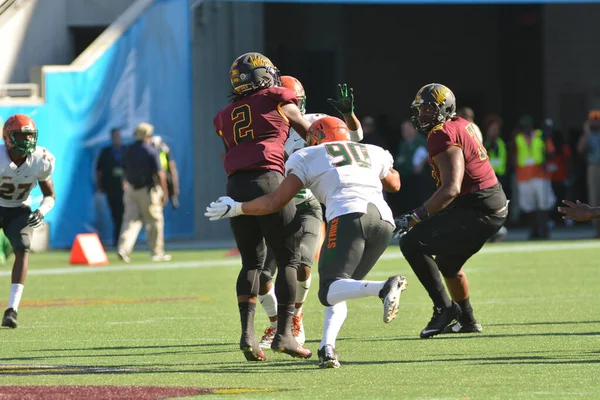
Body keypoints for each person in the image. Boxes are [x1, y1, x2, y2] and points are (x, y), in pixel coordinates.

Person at [206, 116, 407, 369]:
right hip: (384, 222)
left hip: (349, 217)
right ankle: (327, 347)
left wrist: (238, 208)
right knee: (343, 287)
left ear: (316, 137)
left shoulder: (309, 154)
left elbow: (275, 201)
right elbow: (395, 183)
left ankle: (384, 286)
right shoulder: (372, 150)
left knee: (328, 289)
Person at [213, 52, 313, 362]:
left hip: (235, 186)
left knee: (251, 262)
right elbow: (307, 131)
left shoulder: (224, 114)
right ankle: (285, 334)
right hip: (269, 177)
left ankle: (248, 334)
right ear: (264, 76)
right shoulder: (277, 96)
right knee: (288, 257)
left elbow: (227, 153)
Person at [257, 77, 363, 349]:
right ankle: (273, 321)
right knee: (261, 276)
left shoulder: (315, 122)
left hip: (306, 204)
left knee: (303, 264)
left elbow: (355, 138)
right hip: (275, 205)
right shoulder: (264, 127)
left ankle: (295, 317)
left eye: (292, 103)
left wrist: (348, 115)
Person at [395, 83, 508, 338]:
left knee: (412, 242)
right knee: (448, 261)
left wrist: (415, 217)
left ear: (444, 109)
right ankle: (467, 320)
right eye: (420, 109)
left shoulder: (442, 133)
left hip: (479, 207)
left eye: (427, 109)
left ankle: (444, 309)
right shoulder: (460, 124)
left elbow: (451, 188)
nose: (422, 115)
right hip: (488, 202)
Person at [0, 114, 56, 328]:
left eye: (31, 136)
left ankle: (12, 309)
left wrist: (42, 211)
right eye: (21, 136)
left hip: (18, 209)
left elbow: (50, 195)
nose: (27, 141)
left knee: (23, 248)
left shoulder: (41, 159)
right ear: (8, 137)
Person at [117, 122, 171, 263]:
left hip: (131, 189)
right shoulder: (151, 151)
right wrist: (165, 192)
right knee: (154, 221)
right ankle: (156, 252)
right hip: (147, 190)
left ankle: (123, 248)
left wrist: (125, 182)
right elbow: (160, 174)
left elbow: (124, 169)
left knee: (130, 221)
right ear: (148, 135)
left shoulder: (129, 149)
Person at [512, 115, 555, 239]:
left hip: (540, 174)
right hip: (524, 175)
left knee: (544, 203)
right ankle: (534, 230)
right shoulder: (517, 138)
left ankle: (544, 229)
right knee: (528, 205)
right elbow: (513, 156)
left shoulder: (541, 135)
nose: (526, 127)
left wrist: (548, 138)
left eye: (528, 124)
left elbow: (551, 153)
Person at [95, 128, 125, 247]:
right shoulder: (106, 152)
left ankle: (122, 240)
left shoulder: (125, 150)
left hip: (124, 188)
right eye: (114, 136)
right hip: (111, 187)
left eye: (118, 136)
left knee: (124, 214)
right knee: (115, 214)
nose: (116, 139)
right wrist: (100, 185)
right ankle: (117, 240)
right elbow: (99, 170)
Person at [483, 114, 508, 242]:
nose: (495, 131)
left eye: (497, 129)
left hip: (499, 177)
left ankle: (497, 228)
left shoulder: (500, 143)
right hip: (487, 178)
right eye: (493, 128)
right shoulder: (483, 143)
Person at [577, 110, 600, 237]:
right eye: (593, 119)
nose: (595, 121)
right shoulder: (589, 134)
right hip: (594, 167)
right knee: (595, 198)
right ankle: (598, 230)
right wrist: (586, 132)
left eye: (598, 118)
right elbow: (580, 149)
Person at [151, 135, 180, 209]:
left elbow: (171, 166)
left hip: (163, 171)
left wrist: (174, 189)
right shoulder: (150, 150)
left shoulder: (165, 149)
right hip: (155, 174)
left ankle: (173, 196)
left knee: (169, 179)